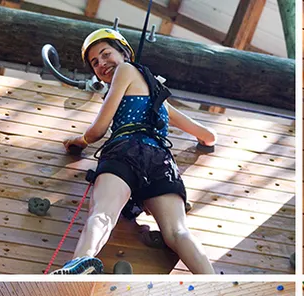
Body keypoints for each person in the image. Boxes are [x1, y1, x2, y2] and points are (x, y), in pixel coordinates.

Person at [52, 28, 217, 275]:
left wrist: (79, 141)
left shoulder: (125, 70)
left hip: (124, 152)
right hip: (161, 162)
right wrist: (205, 142)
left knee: (104, 212)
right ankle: (210, 278)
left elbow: (98, 130)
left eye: (106, 54)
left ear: (126, 54)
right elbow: (208, 136)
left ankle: (81, 261)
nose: (101, 64)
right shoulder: (160, 101)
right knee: (177, 232)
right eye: (95, 62)